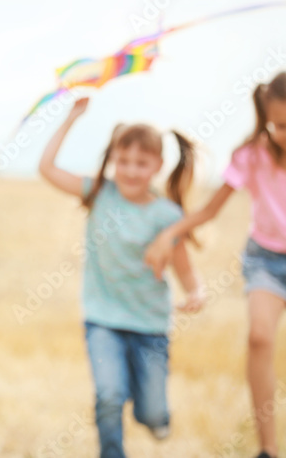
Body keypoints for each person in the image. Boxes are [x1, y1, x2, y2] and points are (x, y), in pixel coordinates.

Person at [39, 95, 204, 458]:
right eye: (123, 161)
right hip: (103, 321)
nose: (130, 170)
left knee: (152, 412)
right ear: (112, 159)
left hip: (150, 327)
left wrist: (196, 291)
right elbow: (47, 168)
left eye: (141, 163)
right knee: (109, 396)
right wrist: (71, 118)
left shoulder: (166, 214)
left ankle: (157, 416)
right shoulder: (100, 194)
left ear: (158, 165)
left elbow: (183, 265)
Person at [145, 72, 286, 458]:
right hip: (267, 261)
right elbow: (208, 210)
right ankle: (268, 450)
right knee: (259, 337)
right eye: (279, 126)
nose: (285, 134)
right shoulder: (251, 156)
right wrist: (167, 234)